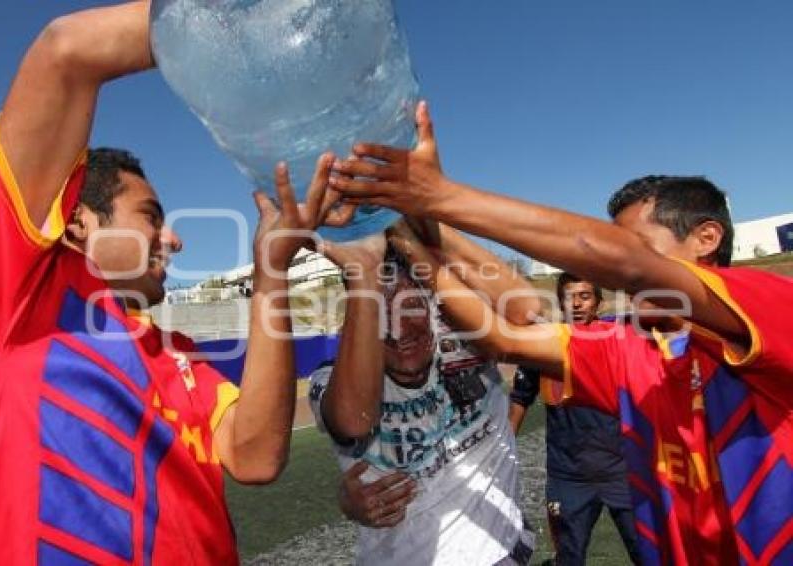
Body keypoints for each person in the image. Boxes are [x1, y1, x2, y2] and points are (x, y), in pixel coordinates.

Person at [0, 3, 349, 564]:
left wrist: (274, 272)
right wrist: (246, 19)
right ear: (79, 223)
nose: (174, 240)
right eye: (151, 216)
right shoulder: (6, 295)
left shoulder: (178, 355)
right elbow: (66, 52)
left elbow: (254, 457)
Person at [328, 101, 793, 564]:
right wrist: (407, 235)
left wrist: (440, 197)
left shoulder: (771, 305)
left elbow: (626, 265)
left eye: (637, 245)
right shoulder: (627, 345)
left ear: (707, 239)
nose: (614, 277)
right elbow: (502, 337)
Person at [308, 220, 538, 565]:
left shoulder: (468, 341)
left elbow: (528, 311)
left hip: (498, 552)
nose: (399, 327)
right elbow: (352, 421)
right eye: (380, 310)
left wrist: (399, 223)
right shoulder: (332, 377)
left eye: (410, 306)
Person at [510, 273, 640, 565]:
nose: (577, 304)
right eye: (570, 297)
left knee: (648, 554)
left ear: (599, 302)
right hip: (567, 477)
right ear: (560, 302)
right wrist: (503, 456)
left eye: (585, 296)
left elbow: (655, 314)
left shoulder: (618, 337)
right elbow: (519, 399)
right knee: (568, 559)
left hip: (623, 471)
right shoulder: (543, 346)